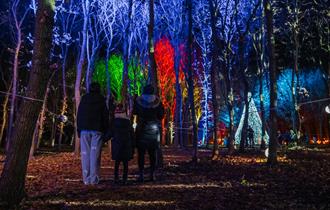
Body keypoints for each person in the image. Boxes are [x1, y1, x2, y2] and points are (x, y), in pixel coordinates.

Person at [77, 82, 109, 185]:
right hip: (97, 130)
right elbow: (105, 116)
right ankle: (94, 179)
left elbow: (79, 114)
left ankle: (86, 179)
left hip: (84, 130)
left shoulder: (84, 99)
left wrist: (79, 130)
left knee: (85, 155)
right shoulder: (101, 100)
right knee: (95, 155)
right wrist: (105, 130)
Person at [133, 84, 164, 182]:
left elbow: (134, 112)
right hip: (154, 129)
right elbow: (161, 115)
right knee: (152, 153)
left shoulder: (138, 101)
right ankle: (152, 174)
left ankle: (141, 174)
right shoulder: (158, 102)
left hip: (141, 128)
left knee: (141, 153)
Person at [110, 103, 135, 185]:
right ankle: (125, 179)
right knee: (125, 163)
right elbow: (132, 134)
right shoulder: (128, 122)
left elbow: (111, 133)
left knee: (117, 163)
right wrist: (133, 145)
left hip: (117, 144)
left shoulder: (114, 122)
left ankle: (116, 178)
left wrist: (103, 138)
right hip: (126, 144)